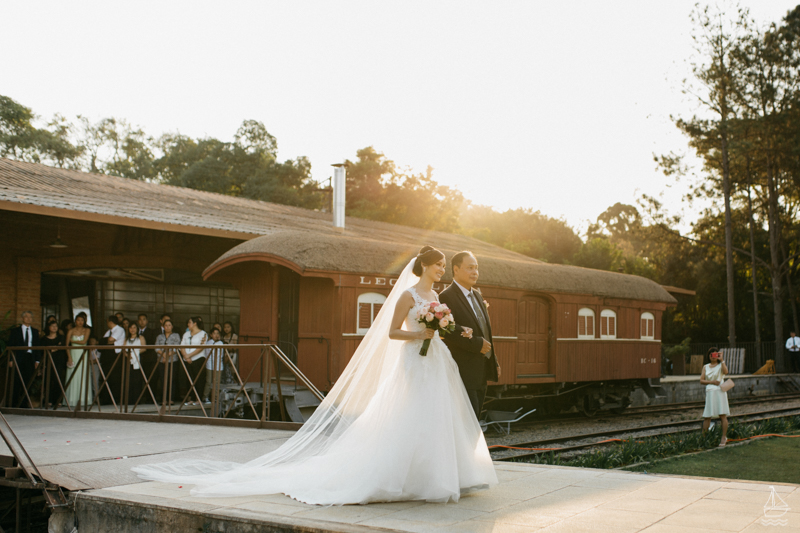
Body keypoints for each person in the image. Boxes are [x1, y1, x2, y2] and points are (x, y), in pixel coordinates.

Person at [134, 245, 498, 504]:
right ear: (426, 266)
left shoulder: (436, 296)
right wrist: (420, 333)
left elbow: (444, 329)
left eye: (442, 266)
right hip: (414, 359)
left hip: (435, 360)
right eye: (438, 265)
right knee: (409, 415)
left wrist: (450, 331)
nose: (441, 270)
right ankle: (404, 476)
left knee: (436, 416)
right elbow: (390, 333)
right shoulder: (407, 295)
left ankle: (438, 475)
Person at [439, 251, 500, 419]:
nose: (475, 272)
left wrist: (493, 360)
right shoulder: (446, 296)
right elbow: (446, 330)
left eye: (476, 268)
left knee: (475, 419)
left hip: (482, 369)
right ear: (456, 270)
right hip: (463, 370)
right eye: (470, 268)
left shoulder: (478, 296)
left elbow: (485, 331)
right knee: (467, 421)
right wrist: (476, 344)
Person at [7, 311, 42, 408]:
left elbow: (37, 346)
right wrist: (10, 359)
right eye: (26, 317)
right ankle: (13, 404)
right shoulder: (15, 331)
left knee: (28, 381)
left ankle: (24, 403)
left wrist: (37, 361)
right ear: (22, 318)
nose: (28, 318)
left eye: (30, 317)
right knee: (16, 380)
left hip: (29, 357)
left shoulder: (35, 331)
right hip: (18, 357)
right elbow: (10, 345)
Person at [701, 347, 730, 446]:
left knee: (722, 414)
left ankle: (723, 437)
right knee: (707, 416)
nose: (713, 356)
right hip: (710, 391)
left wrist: (722, 360)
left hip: (719, 391)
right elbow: (701, 380)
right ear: (708, 356)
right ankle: (704, 438)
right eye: (711, 354)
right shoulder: (705, 367)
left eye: (715, 354)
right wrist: (711, 381)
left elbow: (726, 372)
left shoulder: (721, 365)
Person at [65, 313, 93, 408]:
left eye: (82, 320)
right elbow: (66, 345)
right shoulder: (71, 330)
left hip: (83, 353)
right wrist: (69, 357)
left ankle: (84, 399)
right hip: (73, 353)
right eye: (78, 320)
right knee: (73, 375)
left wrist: (73, 341)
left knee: (83, 374)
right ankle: (71, 399)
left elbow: (84, 341)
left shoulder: (87, 330)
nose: (80, 322)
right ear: (75, 321)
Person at [179, 317, 207, 406]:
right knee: (189, 379)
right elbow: (182, 346)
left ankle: (198, 399)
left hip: (198, 358)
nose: (188, 324)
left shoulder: (203, 333)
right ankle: (191, 398)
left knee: (199, 379)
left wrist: (189, 355)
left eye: (189, 322)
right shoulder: (186, 334)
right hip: (187, 359)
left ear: (195, 323)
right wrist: (186, 357)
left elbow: (201, 347)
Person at [40, 321, 67, 408]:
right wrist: (55, 348)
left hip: (59, 361)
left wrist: (53, 349)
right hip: (48, 362)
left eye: (56, 326)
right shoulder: (44, 339)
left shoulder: (61, 337)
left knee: (58, 380)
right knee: (48, 380)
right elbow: (43, 350)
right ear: (48, 327)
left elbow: (61, 347)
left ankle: (58, 400)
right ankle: (48, 400)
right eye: (52, 326)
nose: (54, 328)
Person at [101, 316, 126, 405]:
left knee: (115, 378)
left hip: (115, 355)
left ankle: (115, 399)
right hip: (107, 355)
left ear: (110, 322)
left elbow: (111, 339)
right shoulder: (108, 331)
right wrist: (105, 341)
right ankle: (106, 399)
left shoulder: (119, 329)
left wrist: (105, 341)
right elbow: (103, 342)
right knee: (106, 377)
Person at [155, 319, 182, 403]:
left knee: (172, 380)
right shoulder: (160, 336)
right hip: (161, 361)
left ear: (172, 326)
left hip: (173, 361)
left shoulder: (176, 335)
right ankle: (164, 399)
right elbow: (156, 347)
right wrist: (163, 355)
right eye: (165, 325)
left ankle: (171, 399)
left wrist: (167, 355)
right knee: (163, 380)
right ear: (163, 327)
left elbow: (177, 347)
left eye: (169, 325)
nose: (167, 327)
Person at [137, 314, 160, 403]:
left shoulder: (152, 331)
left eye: (144, 319)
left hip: (149, 359)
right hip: (136, 359)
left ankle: (150, 399)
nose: (142, 321)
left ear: (147, 321)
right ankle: (138, 398)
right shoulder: (135, 331)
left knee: (150, 379)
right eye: (140, 319)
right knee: (138, 379)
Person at [122, 322, 145, 405]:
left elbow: (144, 348)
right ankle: (128, 400)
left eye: (134, 327)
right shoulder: (126, 339)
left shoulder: (141, 337)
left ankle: (137, 400)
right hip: (129, 361)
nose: (132, 329)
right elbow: (123, 349)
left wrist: (135, 353)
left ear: (137, 329)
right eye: (131, 328)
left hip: (137, 361)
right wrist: (128, 355)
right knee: (129, 380)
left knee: (137, 381)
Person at [203, 328, 224, 404]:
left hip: (218, 365)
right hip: (209, 364)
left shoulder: (221, 343)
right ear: (211, 335)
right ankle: (205, 397)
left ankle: (215, 398)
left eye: (217, 333)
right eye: (214, 333)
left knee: (217, 382)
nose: (216, 335)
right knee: (209, 381)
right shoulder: (209, 342)